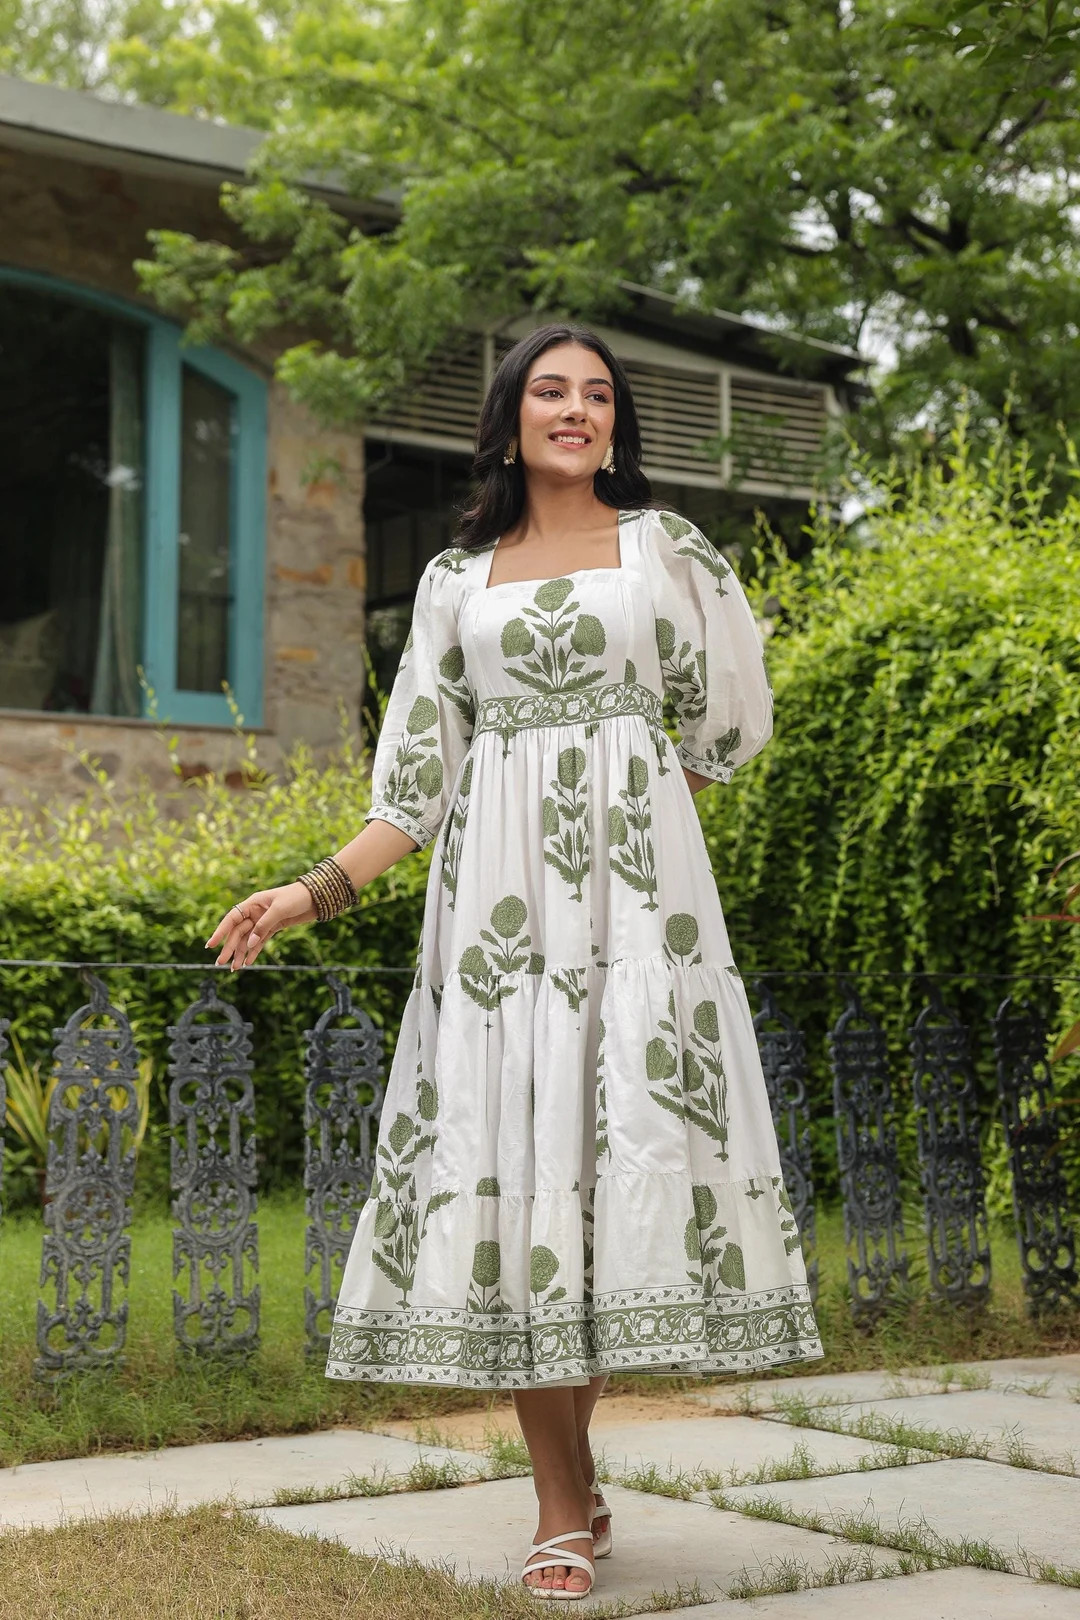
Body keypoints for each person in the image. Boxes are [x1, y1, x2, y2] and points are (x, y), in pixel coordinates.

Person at [206, 324, 823, 1600]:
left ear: (616, 426)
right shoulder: (451, 582)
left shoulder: (668, 551)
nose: (578, 410)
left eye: (599, 395)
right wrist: (311, 892)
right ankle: (560, 1499)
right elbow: (414, 786)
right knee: (523, 1168)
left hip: (640, 924)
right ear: (508, 418)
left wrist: (639, 808)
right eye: (553, 391)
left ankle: (575, 1483)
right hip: (497, 927)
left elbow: (726, 717)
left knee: (607, 1173)